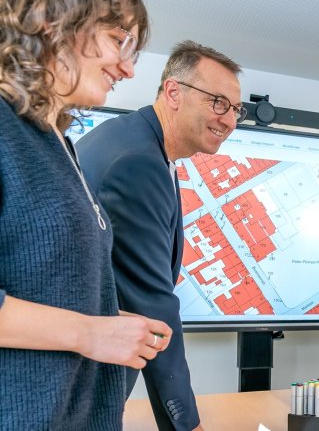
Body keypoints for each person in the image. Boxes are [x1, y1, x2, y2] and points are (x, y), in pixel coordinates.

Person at [0, 0, 174, 429]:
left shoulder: (56, 144)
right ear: (52, 23)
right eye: (119, 39)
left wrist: (106, 320)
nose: (129, 68)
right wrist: (90, 332)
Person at [76, 40, 244, 431]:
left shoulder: (138, 143)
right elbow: (153, 305)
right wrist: (188, 426)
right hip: (79, 380)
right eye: (218, 102)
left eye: (236, 109)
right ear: (173, 92)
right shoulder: (138, 161)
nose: (230, 121)